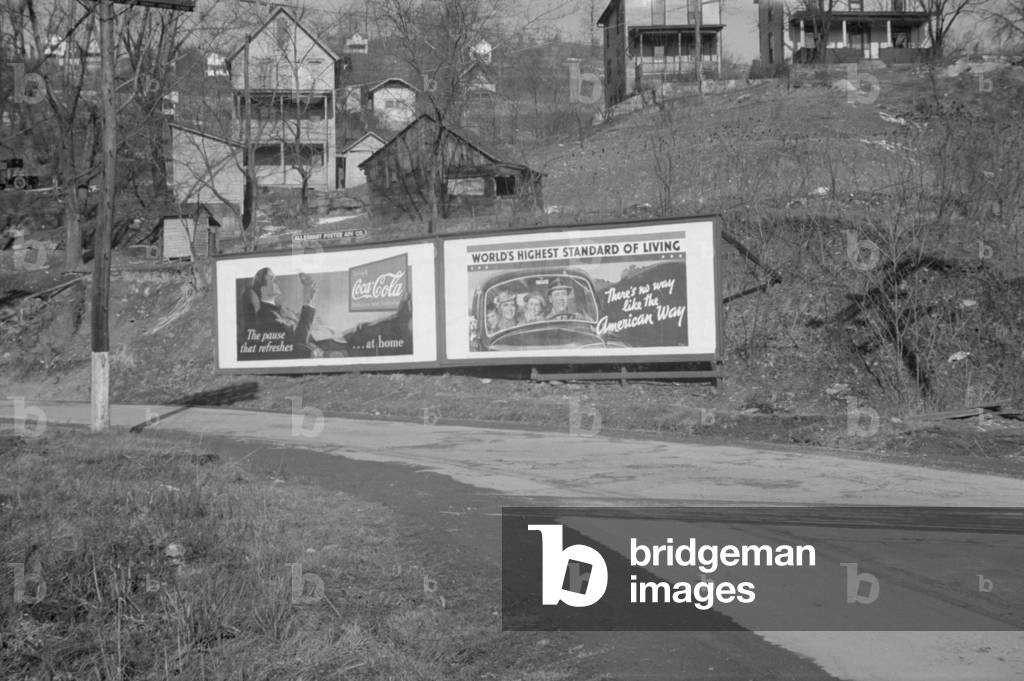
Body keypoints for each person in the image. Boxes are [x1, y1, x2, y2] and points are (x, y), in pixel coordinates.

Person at [248, 267, 320, 358]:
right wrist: (308, 302)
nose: (278, 282)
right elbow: (297, 343)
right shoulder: (265, 315)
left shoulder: (282, 310)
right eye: (273, 279)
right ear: (262, 289)